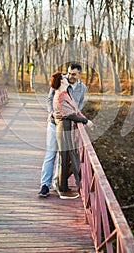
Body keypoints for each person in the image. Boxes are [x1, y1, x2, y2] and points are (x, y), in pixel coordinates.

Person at [38, 63, 87, 197]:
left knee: (63, 156)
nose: (70, 76)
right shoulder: (61, 81)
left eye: (73, 74)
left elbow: (79, 106)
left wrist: (78, 119)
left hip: (68, 126)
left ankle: (58, 182)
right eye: (69, 73)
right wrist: (52, 113)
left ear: (79, 75)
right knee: (50, 153)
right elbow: (49, 99)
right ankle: (45, 185)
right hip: (54, 123)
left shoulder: (82, 88)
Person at [50, 71, 93, 199]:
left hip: (68, 128)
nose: (66, 78)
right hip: (63, 129)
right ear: (61, 81)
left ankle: (61, 184)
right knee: (64, 158)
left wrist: (84, 118)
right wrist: (85, 121)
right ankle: (63, 189)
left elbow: (75, 110)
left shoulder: (66, 93)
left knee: (68, 157)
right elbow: (69, 114)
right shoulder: (60, 96)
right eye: (64, 78)